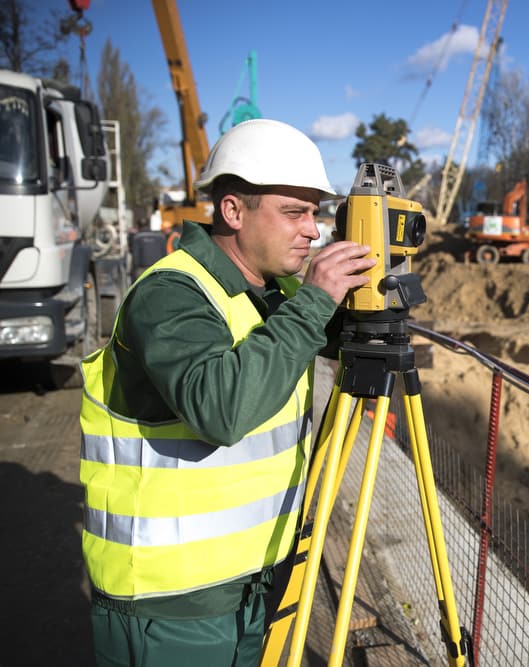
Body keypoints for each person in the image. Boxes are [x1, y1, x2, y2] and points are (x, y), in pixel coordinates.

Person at [79, 118, 377, 667]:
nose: (313, 231)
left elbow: (326, 340)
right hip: (170, 602)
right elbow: (219, 409)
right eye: (295, 212)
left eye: (316, 213)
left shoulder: (270, 291)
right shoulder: (171, 293)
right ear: (234, 210)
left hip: (252, 585)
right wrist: (314, 303)